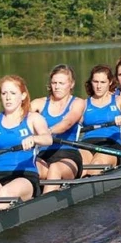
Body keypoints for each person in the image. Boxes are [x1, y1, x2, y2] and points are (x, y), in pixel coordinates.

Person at [0, 75, 53, 214]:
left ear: (23, 96)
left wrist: (34, 139)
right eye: (4, 93)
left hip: (25, 178)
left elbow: (47, 138)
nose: (8, 97)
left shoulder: (33, 118)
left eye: (13, 93)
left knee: (6, 192)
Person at [30, 64, 85, 194]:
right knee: (28, 167)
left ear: (71, 84)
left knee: (55, 168)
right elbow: (20, 121)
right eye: (54, 82)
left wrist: (47, 132)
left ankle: (43, 205)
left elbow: (67, 122)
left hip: (68, 155)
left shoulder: (78, 103)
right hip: (43, 155)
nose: (57, 86)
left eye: (61, 83)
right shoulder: (38, 103)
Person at [80, 64, 121, 176]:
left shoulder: (119, 100)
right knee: (81, 166)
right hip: (86, 144)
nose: (98, 86)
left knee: (96, 165)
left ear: (110, 82)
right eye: (95, 82)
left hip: (110, 144)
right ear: (91, 82)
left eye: (103, 82)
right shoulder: (83, 104)